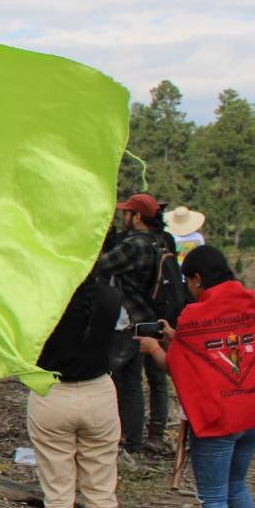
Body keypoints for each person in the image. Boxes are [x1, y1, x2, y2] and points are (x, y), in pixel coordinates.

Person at [137, 245, 255, 508]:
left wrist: (155, 350)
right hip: (252, 411)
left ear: (198, 278)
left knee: (213, 496)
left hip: (218, 420)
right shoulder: (247, 303)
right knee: (237, 486)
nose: (188, 288)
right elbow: (216, 349)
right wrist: (177, 339)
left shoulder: (195, 317)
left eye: (188, 281)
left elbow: (179, 367)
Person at [22, 279, 132, 508]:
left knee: (58, 496)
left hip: (51, 393)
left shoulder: (44, 292)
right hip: (99, 392)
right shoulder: (111, 296)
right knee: (101, 494)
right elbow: (123, 340)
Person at [92, 193, 167, 461]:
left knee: (110, 379)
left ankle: (123, 439)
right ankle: (133, 440)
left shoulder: (134, 245)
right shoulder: (157, 241)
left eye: (126, 213)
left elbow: (99, 266)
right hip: (145, 320)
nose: (123, 217)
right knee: (133, 383)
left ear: (136, 217)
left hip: (127, 321)